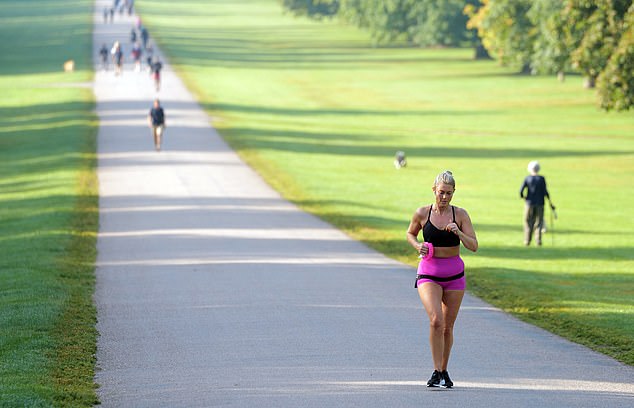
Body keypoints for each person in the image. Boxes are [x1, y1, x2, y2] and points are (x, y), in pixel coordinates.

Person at [406, 170, 478, 388]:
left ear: (454, 192)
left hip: (455, 275)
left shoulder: (461, 215)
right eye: (441, 192)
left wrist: (459, 233)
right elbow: (410, 233)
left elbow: (473, 246)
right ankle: (436, 370)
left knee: (447, 327)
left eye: (449, 193)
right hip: (429, 272)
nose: (444, 197)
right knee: (436, 320)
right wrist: (418, 245)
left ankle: (444, 371)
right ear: (433, 190)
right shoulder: (422, 213)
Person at [520, 161, 555, 246]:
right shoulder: (541, 179)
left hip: (529, 204)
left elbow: (521, 191)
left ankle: (527, 241)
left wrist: (524, 198)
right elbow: (545, 192)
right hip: (540, 203)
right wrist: (550, 202)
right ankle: (538, 241)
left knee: (528, 221)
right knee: (539, 222)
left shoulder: (527, 178)